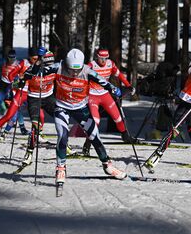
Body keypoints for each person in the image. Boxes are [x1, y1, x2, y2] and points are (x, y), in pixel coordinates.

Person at [33, 48, 127, 186]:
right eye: (71, 69)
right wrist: (39, 61)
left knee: (95, 136)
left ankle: (107, 165)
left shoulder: (87, 71)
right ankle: (61, 168)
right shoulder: (58, 67)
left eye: (77, 70)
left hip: (81, 109)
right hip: (62, 108)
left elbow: (104, 82)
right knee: (62, 136)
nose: (74, 73)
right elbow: (34, 73)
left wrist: (115, 90)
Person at [82, 48, 135, 156]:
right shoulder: (91, 65)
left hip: (105, 94)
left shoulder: (110, 64)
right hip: (93, 96)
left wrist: (128, 85)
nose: (103, 61)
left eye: (106, 58)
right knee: (96, 121)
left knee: (118, 118)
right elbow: (83, 78)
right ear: (97, 57)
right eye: (101, 58)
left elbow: (119, 74)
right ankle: (87, 144)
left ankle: (125, 137)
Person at [0, 49, 35, 142]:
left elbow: (23, 72)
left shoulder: (18, 63)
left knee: (15, 107)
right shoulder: (3, 61)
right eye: (10, 57)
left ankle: (22, 127)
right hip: (3, 84)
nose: (11, 59)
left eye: (13, 57)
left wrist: (16, 82)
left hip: (12, 86)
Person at [20, 49, 57, 167]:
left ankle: (64, 146)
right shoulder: (34, 69)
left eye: (51, 63)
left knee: (61, 118)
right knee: (35, 127)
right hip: (35, 98)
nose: (49, 67)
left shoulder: (56, 68)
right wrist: (20, 82)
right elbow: (23, 77)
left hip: (49, 97)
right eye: (47, 64)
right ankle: (29, 153)